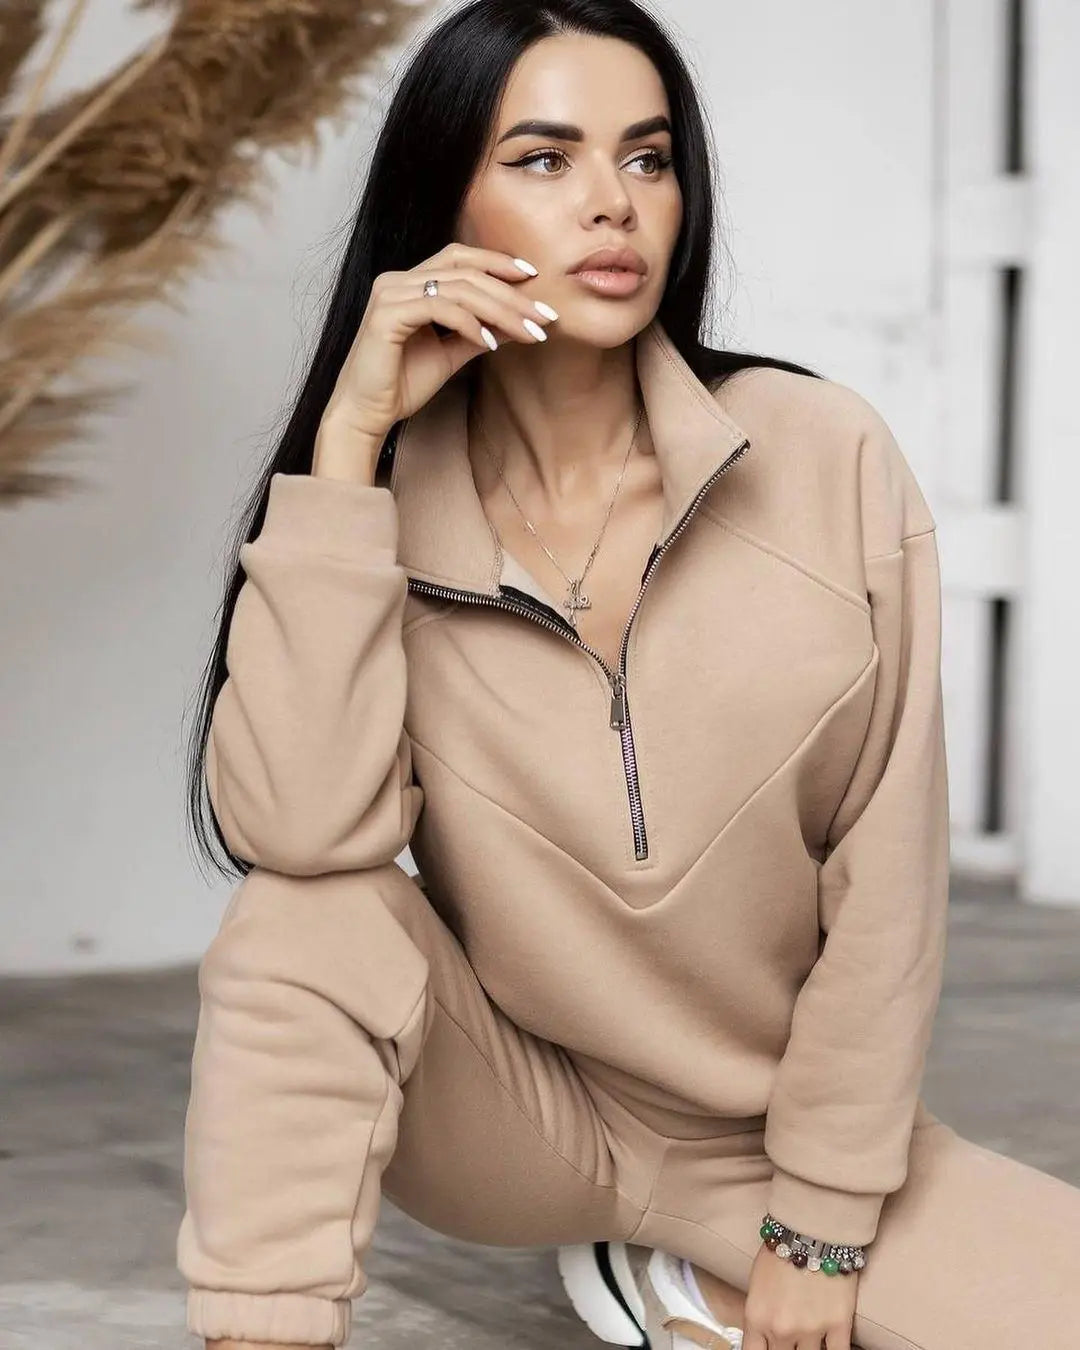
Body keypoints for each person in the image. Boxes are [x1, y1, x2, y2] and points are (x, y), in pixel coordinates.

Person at [176, 2, 1080, 1348]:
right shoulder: (376, 513)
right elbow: (300, 838)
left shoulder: (820, 455)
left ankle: (681, 1280)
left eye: (646, 158)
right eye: (544, 159)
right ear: (444, 204)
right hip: (519, 1119)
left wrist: (822, 1220)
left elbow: (887, 869)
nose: (613, 202)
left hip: (774, 1138)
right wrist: (349, 446)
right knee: (302, 919)